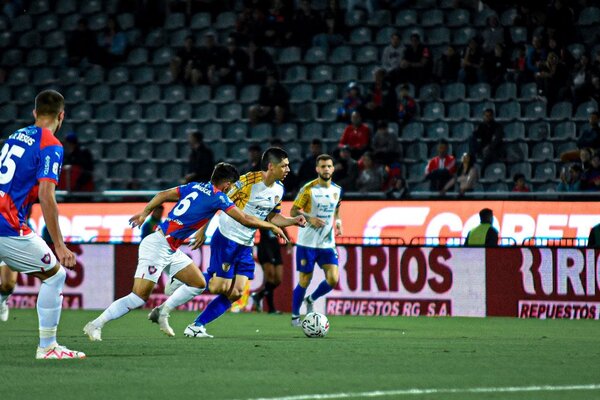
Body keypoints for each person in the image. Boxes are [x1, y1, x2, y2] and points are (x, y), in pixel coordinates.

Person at [83, 163, 288, 341]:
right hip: (158, 246)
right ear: (227, 185)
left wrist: (145, 212)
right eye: (232, 186)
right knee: (138, 297)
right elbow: (245, 219)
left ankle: (162, 312)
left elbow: (163, 194)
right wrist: (271, 226)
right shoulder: (219, 198)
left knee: (198, 283)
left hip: (170, 247)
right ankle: (96, 324)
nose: (232, 190)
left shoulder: (195, 186)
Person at [184, 148, 306, 338]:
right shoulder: (248, 181)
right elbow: (217, 200)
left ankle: (197, 325)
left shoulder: (279, 189)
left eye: (288, 165)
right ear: (271, 166)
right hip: (227, 237)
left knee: (237, 292)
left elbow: (272, 216)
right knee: (218, 287)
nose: (288, 169)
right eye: (284, 165)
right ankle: (185, 280)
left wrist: (292, 221)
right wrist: (202, 230)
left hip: (246, 243)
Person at [0, 90, 84, 359]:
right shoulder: (51, 144)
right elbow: (46, 195)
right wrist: (59, 245)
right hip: (7, 224)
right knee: (55, 275)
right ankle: (47, 347)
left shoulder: (14, 137)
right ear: (62, 116)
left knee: (8, 278)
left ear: (35, 113)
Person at [290, 154, 342, 326]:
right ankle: (295, 316)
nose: (326, 169)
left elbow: (337, 207)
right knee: (305, 280)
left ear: (333, 168)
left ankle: (311, 299)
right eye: (322, 166)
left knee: (333, 278)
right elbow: (293, 211)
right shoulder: (308, 189)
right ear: (317, 169)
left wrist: (339, 222)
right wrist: (309, 218)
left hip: (327, 243)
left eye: (329, 166)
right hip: (307, 243)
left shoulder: (337, 189)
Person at [251, 227, 289, 313]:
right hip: (265, 247)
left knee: (278, 280)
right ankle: (271, 309)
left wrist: (288, 241)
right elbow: (252, 228)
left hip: (275, 247)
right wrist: (251, 246)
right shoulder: (263, 215)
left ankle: (259, 295)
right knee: (270, 278)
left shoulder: (276, 215)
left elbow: (283, 226)